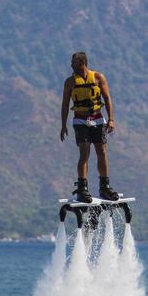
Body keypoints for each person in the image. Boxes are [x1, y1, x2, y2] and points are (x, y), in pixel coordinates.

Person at [60, 51, 119, 203]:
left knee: (102, 152)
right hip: (80, 120)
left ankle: (104, 186)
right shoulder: (70, 82)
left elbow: (107, 98)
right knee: (84, 153)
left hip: (98, 119)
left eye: (73, 63)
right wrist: (63, 124)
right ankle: (82, 188)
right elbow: (65, 104)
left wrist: (111, 119)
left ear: (81, 63)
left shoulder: (99, 77)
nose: (71, 66)